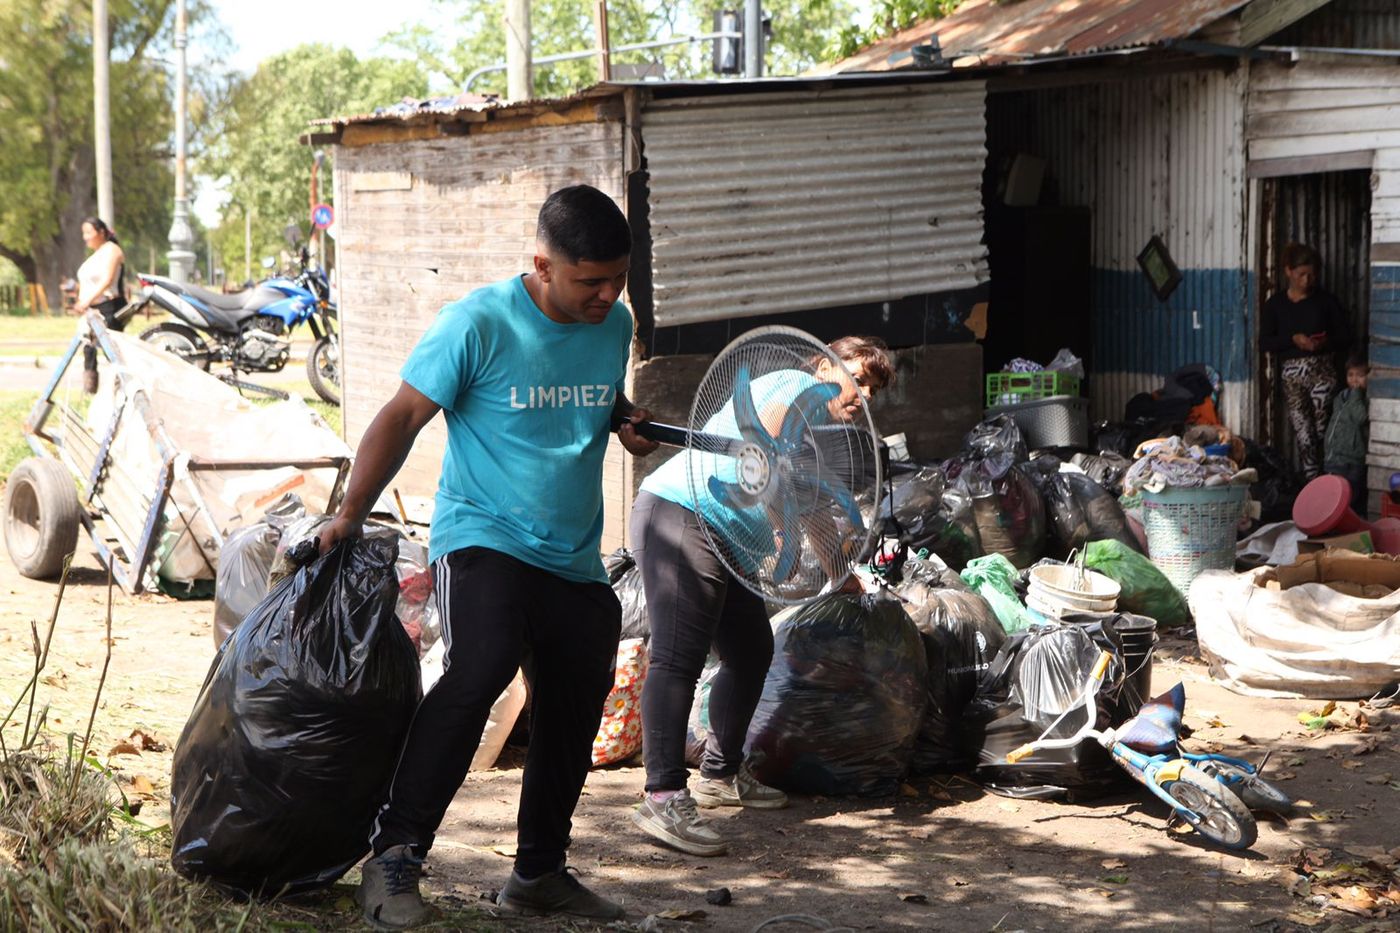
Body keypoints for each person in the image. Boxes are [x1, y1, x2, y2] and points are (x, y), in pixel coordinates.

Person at [316, 185, 658, 929]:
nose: (606, 295)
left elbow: (590, 397)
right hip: (482, 536)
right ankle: (395, 855)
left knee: (575, 700)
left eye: (617, 279)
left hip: (572, 553)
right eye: (589, 280)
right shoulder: (477, 321)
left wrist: (621, 420)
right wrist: (348, 512)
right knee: (481, 667)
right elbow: (403, 414)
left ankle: (539, 871)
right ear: (541, 263)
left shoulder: (613, 323)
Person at [628, 335, 895, 857]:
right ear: (824, 366)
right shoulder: (796, 384)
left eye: (874, 390)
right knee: (678, 656)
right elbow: (764, 452)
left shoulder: (809, 434)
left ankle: (721, 776)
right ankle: (661, 795)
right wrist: (781, 509)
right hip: (684, 515)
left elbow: (809, 502)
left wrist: (841, 576)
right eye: (857, 379)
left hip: (726, 540)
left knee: (751, 651)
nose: (863, 396)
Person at [1259, 242, 1350, 479]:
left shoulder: (1326, 302)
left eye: (1312, 275)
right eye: (1301, 274)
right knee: (1304, 433)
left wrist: (1323, 343)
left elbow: (1345, 337)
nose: (1307, 280)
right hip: (1292, 378)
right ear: (1288, 271)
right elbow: (1265, 343)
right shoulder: (1275, 305)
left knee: (1322, 428)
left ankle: (1331, 477)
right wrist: (1293, 339)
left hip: (1322, 371)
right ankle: (1312, 485)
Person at [73, 217, 127, 392]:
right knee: (88, 349)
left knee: (112, 351)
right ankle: (90, 389)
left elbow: (107, 280)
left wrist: (87, 301)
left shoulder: (112, 250)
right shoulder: (96, 254)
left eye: (89, 232)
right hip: (92, 309)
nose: (85, 237)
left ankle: (125, 387)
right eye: (84, 233)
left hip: (109, 308)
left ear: (101, 232)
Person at [1325, 352, 1369, 513]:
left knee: (1351, 499)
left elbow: (1360, 418)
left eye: (1360, 375)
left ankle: (1349, 532)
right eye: (1351, 375)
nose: (1354, 379)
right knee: (1333, 497)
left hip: (1352, 460)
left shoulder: (1364, 399)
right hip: (1334, 457)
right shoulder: (1341, 396)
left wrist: (1356, 395)